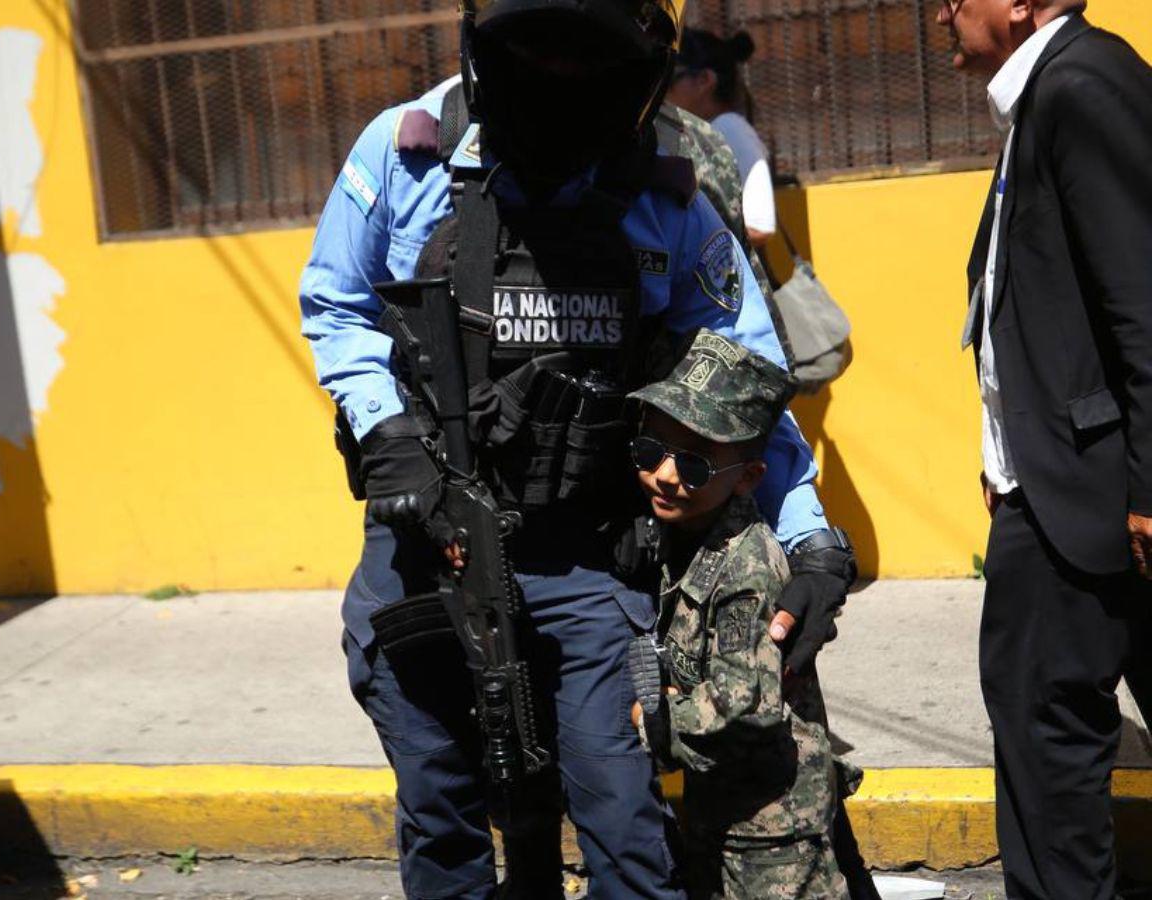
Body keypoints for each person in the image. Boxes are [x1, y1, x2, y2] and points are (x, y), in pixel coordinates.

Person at [299, 0, 857, 894]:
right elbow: (337, 302)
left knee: (626, 826)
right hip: (428, 543)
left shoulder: (664, 201)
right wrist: (386, 429)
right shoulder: (407, 152)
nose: (558, 81)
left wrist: (813, 538)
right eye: (535, 56)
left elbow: (742, 385)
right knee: (443, 820)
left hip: (585, 559)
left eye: (584, 62)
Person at [939, 0, 1152, 896]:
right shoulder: (1049, 93)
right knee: (1037, 732)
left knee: (1045, 746)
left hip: (1092, 497)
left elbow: (1142, 304)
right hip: (1062, 481)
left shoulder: (1079, 87)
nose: (943, 11)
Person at [627, 329, 849, 899]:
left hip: (772, 832)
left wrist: (659, 725)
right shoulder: (678, 535)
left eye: (697, 466)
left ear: (749, 476)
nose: (668, 475)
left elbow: (746, 697)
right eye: (652, 452)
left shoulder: (746, 566)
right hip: (720, 811)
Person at [665, 29, 777, 248]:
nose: (663, 91)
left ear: (704, 80)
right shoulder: (701, 131)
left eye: (670, 80)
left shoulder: (729, 128)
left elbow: (759, 227)